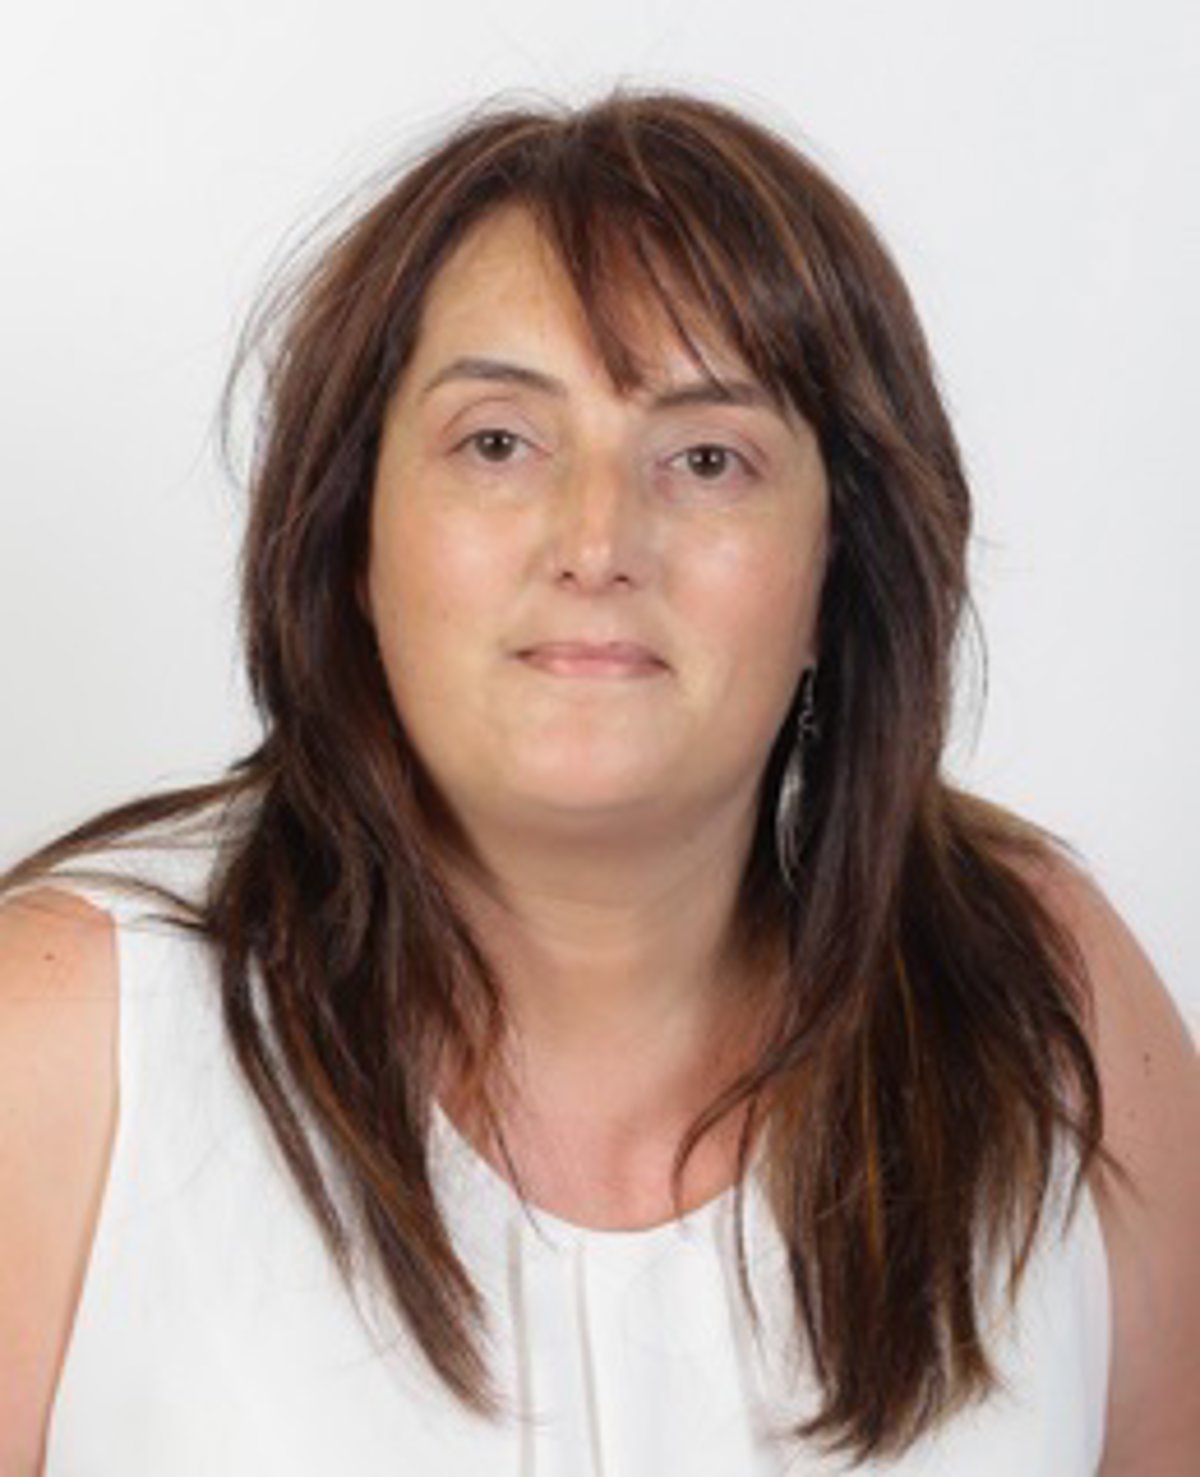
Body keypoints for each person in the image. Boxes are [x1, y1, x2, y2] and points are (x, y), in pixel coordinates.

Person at [1, 89, 1196, 1477]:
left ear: (837, 572)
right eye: (498, 441)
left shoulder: (1049, 1001)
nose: (596, 539)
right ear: (352, 541)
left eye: (708, 458)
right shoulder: (61, 1040)